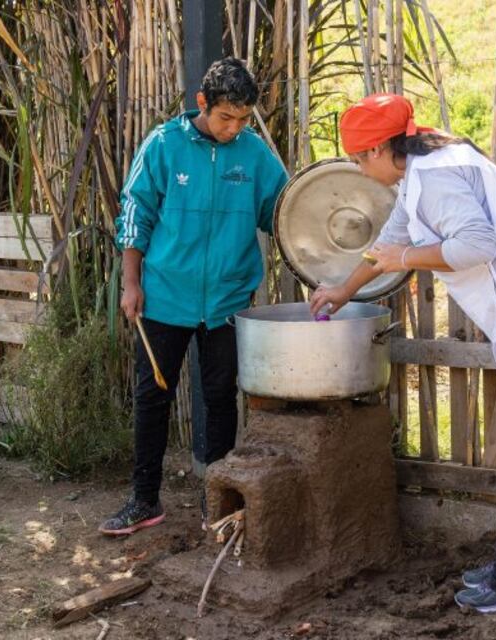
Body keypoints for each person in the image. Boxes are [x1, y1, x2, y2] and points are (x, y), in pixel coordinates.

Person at [309, 93, 496, 613]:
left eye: (358, 158)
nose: (358, 168)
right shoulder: (424, 170)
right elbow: (387, 246)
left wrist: (408, 257)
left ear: (380, 149)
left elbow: (477, 245)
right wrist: (343, 289)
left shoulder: (437, 180)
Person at [101, 57, 287, 536]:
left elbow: (284, 213)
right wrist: (131, 283)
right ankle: (144, 500)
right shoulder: (163, 145)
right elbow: (133, 213)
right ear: (203, 103)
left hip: (228, 300)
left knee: (221, 398)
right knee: (151, 397)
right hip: (164, 297)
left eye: (244, 119)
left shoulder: (255, 155)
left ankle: (218, 501)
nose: (234, 128)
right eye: (227, 117)